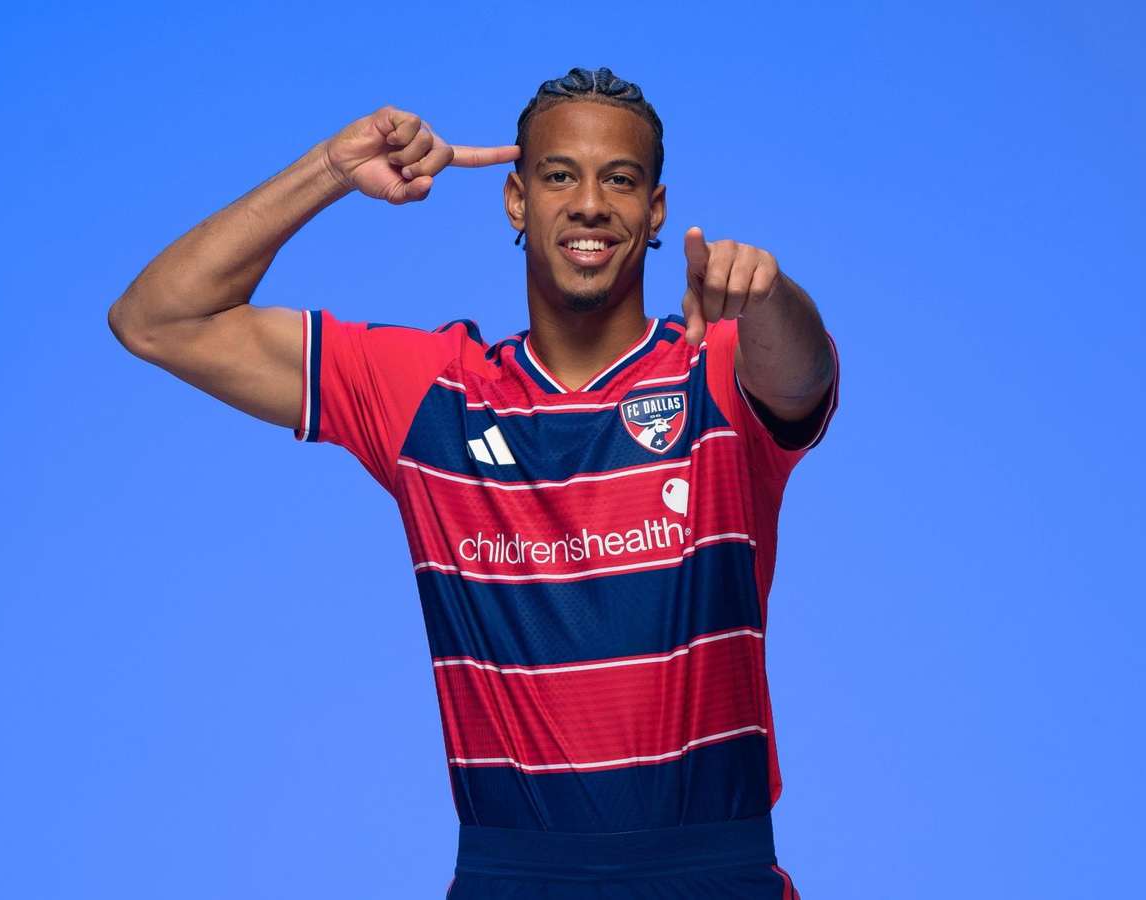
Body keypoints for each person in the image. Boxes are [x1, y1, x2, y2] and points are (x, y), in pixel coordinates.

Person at [109, 66, 838, 900]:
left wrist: (767, 292)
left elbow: (803, 373)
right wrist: (331, 169)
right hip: (510, 879)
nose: (590, 204)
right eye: (559, 176)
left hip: (715, 875)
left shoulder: (719, 374)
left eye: (620, 180)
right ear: (516, 201)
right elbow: (157, 320)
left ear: (656, 210)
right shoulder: (432, 395)